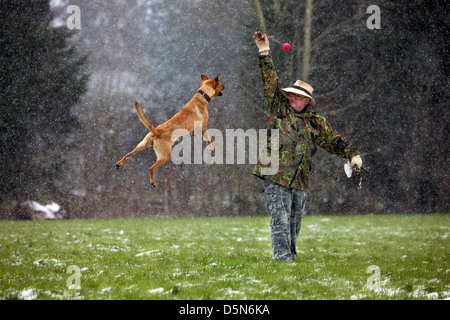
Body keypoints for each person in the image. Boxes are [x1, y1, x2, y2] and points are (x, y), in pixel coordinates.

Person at [252, 32, 362, 261]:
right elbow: (270, 82)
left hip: (300, 178)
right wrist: (264, 52)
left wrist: (353, 154)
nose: (292, 98)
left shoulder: (315, 122)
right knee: (279, 219)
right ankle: (283, 259)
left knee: (294, 222)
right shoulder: (278, 108)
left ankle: (290, 255)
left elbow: (333, 140)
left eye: (297, 96)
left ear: (306, 101)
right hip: (274, 174)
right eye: (291, 95)